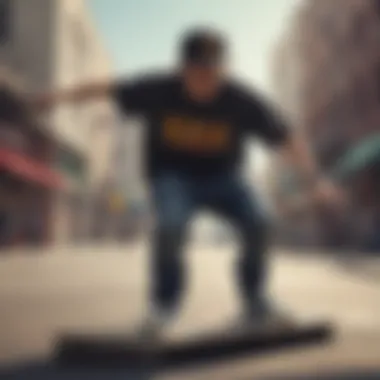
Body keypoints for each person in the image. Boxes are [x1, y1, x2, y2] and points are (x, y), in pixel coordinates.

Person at [30, 28, 340, 336]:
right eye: (197, 75)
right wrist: (57, 98)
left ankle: (256, 303)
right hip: (173, 176)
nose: (205, 84)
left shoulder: (241, 99)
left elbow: (288, 138)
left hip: (225, 178)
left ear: (225, 69)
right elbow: (103, 89)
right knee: (170, 225)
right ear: (182, 69)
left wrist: (316, 179)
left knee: (259, 221)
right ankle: (163, 308)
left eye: (213, 75)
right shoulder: (158, 89)